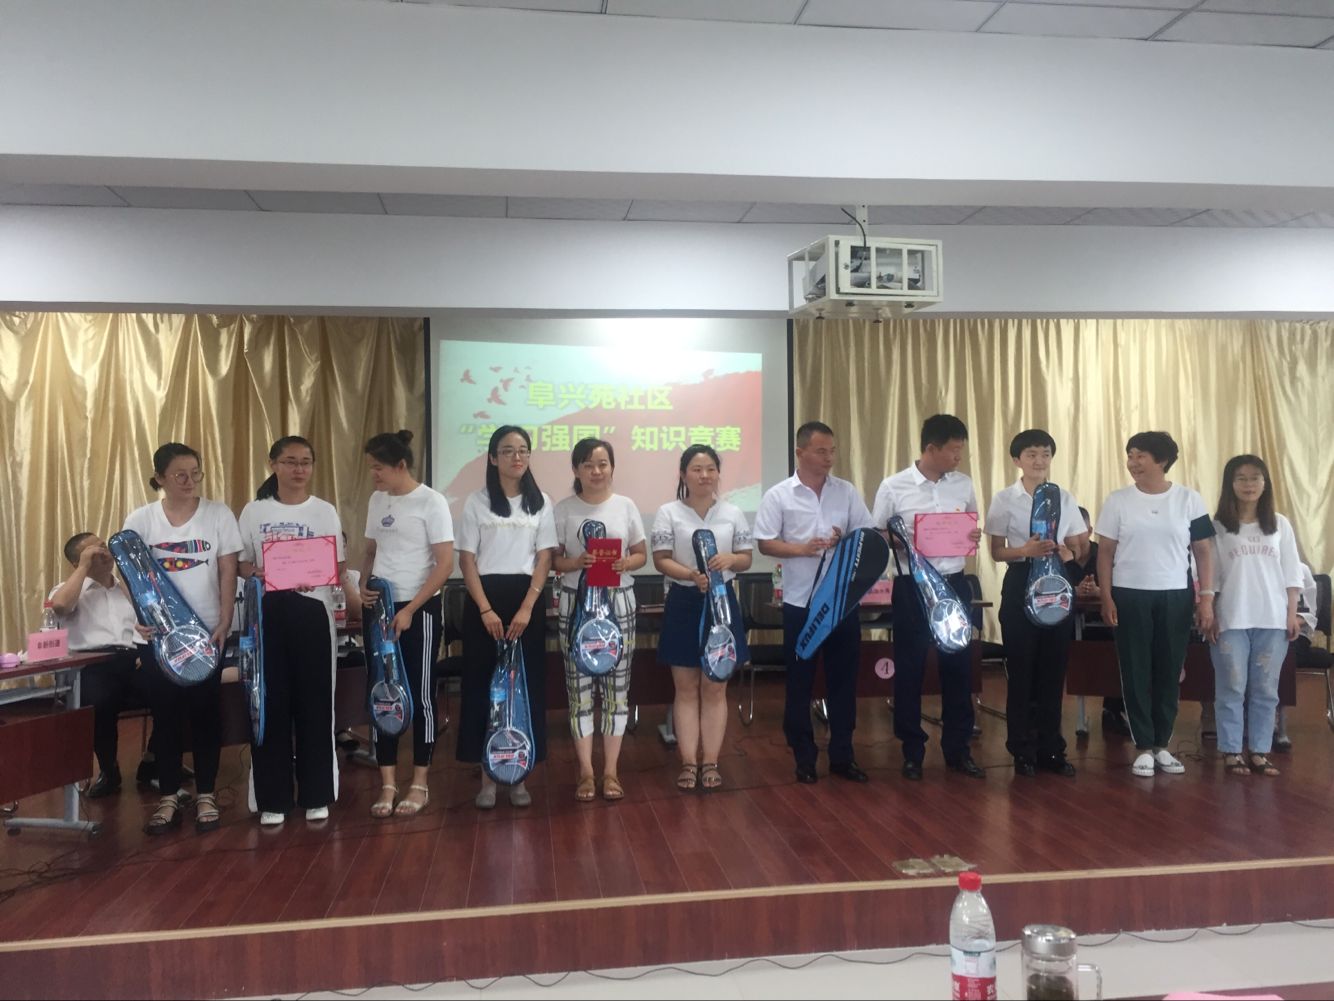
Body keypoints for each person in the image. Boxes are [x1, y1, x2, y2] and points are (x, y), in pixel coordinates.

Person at [123, 442, 240, 834]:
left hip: (207, 635)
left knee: (206, 714)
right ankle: (169, 796)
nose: (190, 481)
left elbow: (228, 570)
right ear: (160, 478)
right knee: (166, 718)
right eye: (180, 475)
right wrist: (139, 618)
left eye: (195, 473)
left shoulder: (218, 514)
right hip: (159, 640)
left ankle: (206, 794)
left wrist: (225, 619)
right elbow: (132, 578)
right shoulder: (141, 519)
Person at [755, 421, 874, 785]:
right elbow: (765, 542)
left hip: (841, 603)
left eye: (832, 451)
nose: (828, 458)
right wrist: (801, 549)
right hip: (800, 603)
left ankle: (843, 755)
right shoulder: (779, 495)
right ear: (800, 452)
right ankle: (804, 757)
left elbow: (866, 535)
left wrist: (844, 538)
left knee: (843, 682)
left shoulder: (846, 492)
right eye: (821, 451)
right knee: (800, 682)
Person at [237, 436, 345, 825]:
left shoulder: (325, 510)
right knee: (269, 704)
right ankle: (273, 799)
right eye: (290, 461)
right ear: (273, 465)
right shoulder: (254, 511)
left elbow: (337, 565)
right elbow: (242, 564)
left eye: (305, 462)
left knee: (316, 704)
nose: (299, 469)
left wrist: (317, 575)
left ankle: (317, 793)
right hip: (267, 614)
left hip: (313, 612)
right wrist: (260, 572)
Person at [1095, 431, 1215, 778]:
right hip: (1129, 593)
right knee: (1135, 669)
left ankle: (1162, 743)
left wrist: (1206, 598)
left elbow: (1203, 551)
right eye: (1130, 455)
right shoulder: (1118, 500)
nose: (1133, 463)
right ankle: (1143, 745)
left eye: (1140, 456)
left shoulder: (1189, 499)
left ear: (1161, 460)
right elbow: (1105, 553)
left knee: (1169, 669)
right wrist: (1106, 596)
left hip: (1175, 594)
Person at [871, 414, 984, 782]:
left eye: (961, 451)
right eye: (953, 451)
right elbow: (877, 535)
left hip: (954, 583)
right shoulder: (894, 486)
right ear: (931, 449)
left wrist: (972, 535)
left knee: (958, 667)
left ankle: (958, 749)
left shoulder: (963, 484)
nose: (958, 458)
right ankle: (912, 752)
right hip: (912, 587)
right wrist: (902, 540)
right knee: (910, 669)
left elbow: (970, 525)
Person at [455, 426, 556, 810]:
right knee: (486, 689)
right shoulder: (477, 502)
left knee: (523, 690)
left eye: (523, 450)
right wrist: (484, 608)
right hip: (486, 602)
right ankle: (488, 777)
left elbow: (544, 558)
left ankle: (518, 775)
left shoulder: (541, 502)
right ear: (493, 457)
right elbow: (467, 560)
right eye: (508, 450)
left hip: (526, 601)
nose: (517, 457)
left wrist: (528, 606)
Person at [358, 430, 454, 819]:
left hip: (419, 609)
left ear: (401, 465)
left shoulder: (431, 501)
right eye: (371, 468)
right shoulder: (376, 499)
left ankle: (419, 783)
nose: (374, 475)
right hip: (380, 608)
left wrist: (412, 608)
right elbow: (370, 550)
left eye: (379, 468)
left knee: (421, 693)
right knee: (382, 692)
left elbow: (444, 564)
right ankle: (387, 783)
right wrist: (363, 585)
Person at [985, 429, 1088, 777]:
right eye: (1031, 454)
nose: (1039, 461)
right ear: (1017, 460)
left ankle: (1051, 749)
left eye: (1045, 454)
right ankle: (1022, 750)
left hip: (1055, 583)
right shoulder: (1004, 499)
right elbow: (997, 551)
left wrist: (1069, 551)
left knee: (1053, 670)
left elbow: (1079, 545)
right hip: (1020, 581)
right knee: (1022, 669)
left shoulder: (1063, 497)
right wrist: (1025, 551)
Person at [652, 445, 753, 792]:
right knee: (685, 687)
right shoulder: (668, 512)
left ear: (718, 473)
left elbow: (746, 558)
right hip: (684, 600)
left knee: (715, 685)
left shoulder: (733, 512)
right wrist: (689, 575)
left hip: (722, 602)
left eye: (710, 469)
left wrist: (731, 560)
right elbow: (661, 558)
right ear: (683, 474)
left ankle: (710, 761)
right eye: (696, 469)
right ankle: (688, 763)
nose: (704, 475)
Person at [552, 437, 647, 803]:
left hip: (618, 601)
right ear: (576, 469)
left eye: (603, 463)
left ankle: (610, 771)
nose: (596, 471)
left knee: (616, 691)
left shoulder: (626, 506)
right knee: (578, 691)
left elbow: (641, 554)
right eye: (588, 464)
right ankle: (586, 772)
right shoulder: (563, 509)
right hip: (575, 603)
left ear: (612, 467)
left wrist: (626, 563)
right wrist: (576, 563)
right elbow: (553, 560)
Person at [1207, 454, 1301, 778]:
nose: (1249, 485)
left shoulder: (1280, 524)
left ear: (1265, 483)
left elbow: (1292, 573)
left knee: (1265, 689)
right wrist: (1209, 612)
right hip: (1231, 618)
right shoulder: (1217, 526)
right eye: (1241, 478)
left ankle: (1260, 750)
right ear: (1230, 484)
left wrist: (1292, 614)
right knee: (1231, 687)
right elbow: (1209, 576)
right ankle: (1232, 750)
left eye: (1256, 478)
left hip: (1272, 620)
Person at [48, 532, 157, 798]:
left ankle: (153, 760)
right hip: (93, 662)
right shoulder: (67, 590)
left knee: (171, 688)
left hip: (134, 658)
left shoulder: (125, 587)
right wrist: (85, 567)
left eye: (104, 547)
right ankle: (109, 769)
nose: (105, 554)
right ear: (77, 562)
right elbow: (60, 606)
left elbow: (150, 618)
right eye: (95, 552)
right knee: (97, 700)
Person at [1066, 507, 1130, 736]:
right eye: (1068, 531)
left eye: (1078, 531)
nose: (1073, 537)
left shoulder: (1105, 554)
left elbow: (1121, 588)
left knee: (1119, 648)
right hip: (1069, 625)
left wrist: (1099, 591)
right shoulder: (1059, 556)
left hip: (1103, 623)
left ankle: (1113, 709)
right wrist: (1074, 590)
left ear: (1090, 530)